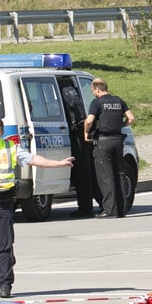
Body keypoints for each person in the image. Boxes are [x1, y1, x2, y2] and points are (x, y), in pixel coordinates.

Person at [0, 117, 75, 298]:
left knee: (5, 246)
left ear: (2, 134)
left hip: (3, 203)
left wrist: (58, 163)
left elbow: (33, 159)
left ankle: (5, 285)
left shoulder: (10, 148)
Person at [83, 78, 135, 218]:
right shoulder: (118, 101)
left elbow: (89, 120)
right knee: (119, 173)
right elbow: (131, 118)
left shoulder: (97, 102)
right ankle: (121, 209)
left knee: (105, 176)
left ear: (97, 89)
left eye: (93, 90)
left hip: (104, 141)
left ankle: (109, 210)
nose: (93, 93)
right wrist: (121, 126)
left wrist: (86, 132)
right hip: (118, 140)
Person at [62, 85, 94, 218]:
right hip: (80, 135)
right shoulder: (72, 91)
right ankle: (102, 205)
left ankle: (86, 207)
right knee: (85, 173)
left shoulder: (66, 92)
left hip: (76, 134)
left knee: (82, 173)